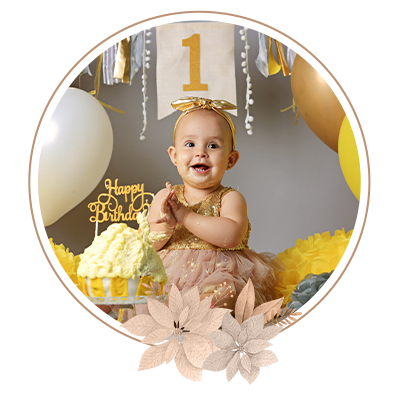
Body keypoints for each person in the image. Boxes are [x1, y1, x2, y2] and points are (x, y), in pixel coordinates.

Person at [148, 97, 283, 309]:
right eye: (190, 144)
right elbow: (150, 244)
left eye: (213, 145)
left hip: (220, 271)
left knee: (225, 293)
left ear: (231, 160)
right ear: (174, 155)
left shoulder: (230, 198)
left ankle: (199, 319)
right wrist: (166, 223)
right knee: (144, 290)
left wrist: (186, 216)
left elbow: (231, 236)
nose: (200, 152)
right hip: (170, 273)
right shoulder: (165, 197)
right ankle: (172, 321)